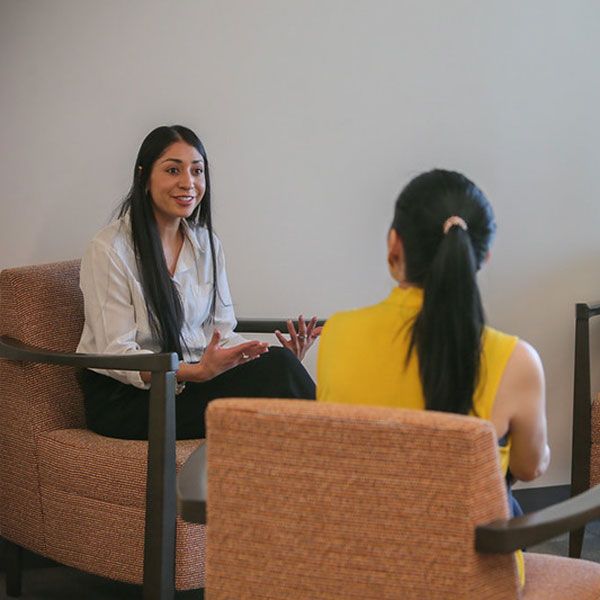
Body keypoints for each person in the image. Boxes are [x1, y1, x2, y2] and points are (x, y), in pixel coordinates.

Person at [316, 169, 550, 586]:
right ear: (483, 256)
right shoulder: (516, 360)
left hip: (358, 572)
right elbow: (530, 468)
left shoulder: (337, 334)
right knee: (505, 499)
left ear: (394, 244)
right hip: (469, 580)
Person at [77, 125, 320, 441]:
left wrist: (255, 357)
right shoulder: (109, 249)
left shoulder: (206, 244)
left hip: (188, 384)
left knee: (279, 367)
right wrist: (196, 372)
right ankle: (355, 464)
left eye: (197, 171)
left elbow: (221, 332)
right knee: (278, 374)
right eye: (173, 170)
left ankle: (327, 472)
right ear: (144, 177)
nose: (188, 183)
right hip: (127, 400)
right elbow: (116, 354)